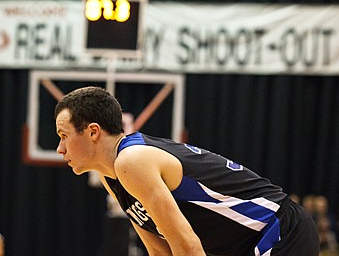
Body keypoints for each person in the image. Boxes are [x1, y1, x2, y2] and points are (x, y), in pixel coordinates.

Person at [54, 86, 319, 256]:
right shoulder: (111, 174)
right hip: (247, 244)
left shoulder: (132, 161)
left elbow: (188, 246)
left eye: (64, 136)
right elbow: (160, 250)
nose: (60, 148)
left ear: (92, 132)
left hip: (279, 229)